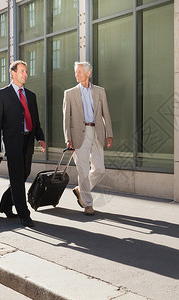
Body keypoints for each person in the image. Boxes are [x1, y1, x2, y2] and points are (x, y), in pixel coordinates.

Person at [0, 60, 46, 227]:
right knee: (16, 177)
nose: (25, 74)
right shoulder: (2, 94)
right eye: (22, 71)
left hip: (28, 140)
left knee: (23, 175)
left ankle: (5, 205)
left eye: (26, 71)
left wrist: (40, 138)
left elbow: (35, 121)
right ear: (12, 73)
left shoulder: (31, 95)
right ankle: (24, 214)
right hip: (13, 142)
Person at [63, 61, 113, 216]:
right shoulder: (69, 93)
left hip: (96, 131)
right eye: (76, 71)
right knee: (83, 170)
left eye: (79, 71)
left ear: (88, 73)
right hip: (78, 134)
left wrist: (109, 133)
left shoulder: (100, 91)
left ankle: (80, 190)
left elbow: (106, 113)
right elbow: (66, 118)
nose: (76, 74)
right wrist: (68, 138)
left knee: (100, 169)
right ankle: (87, 204)